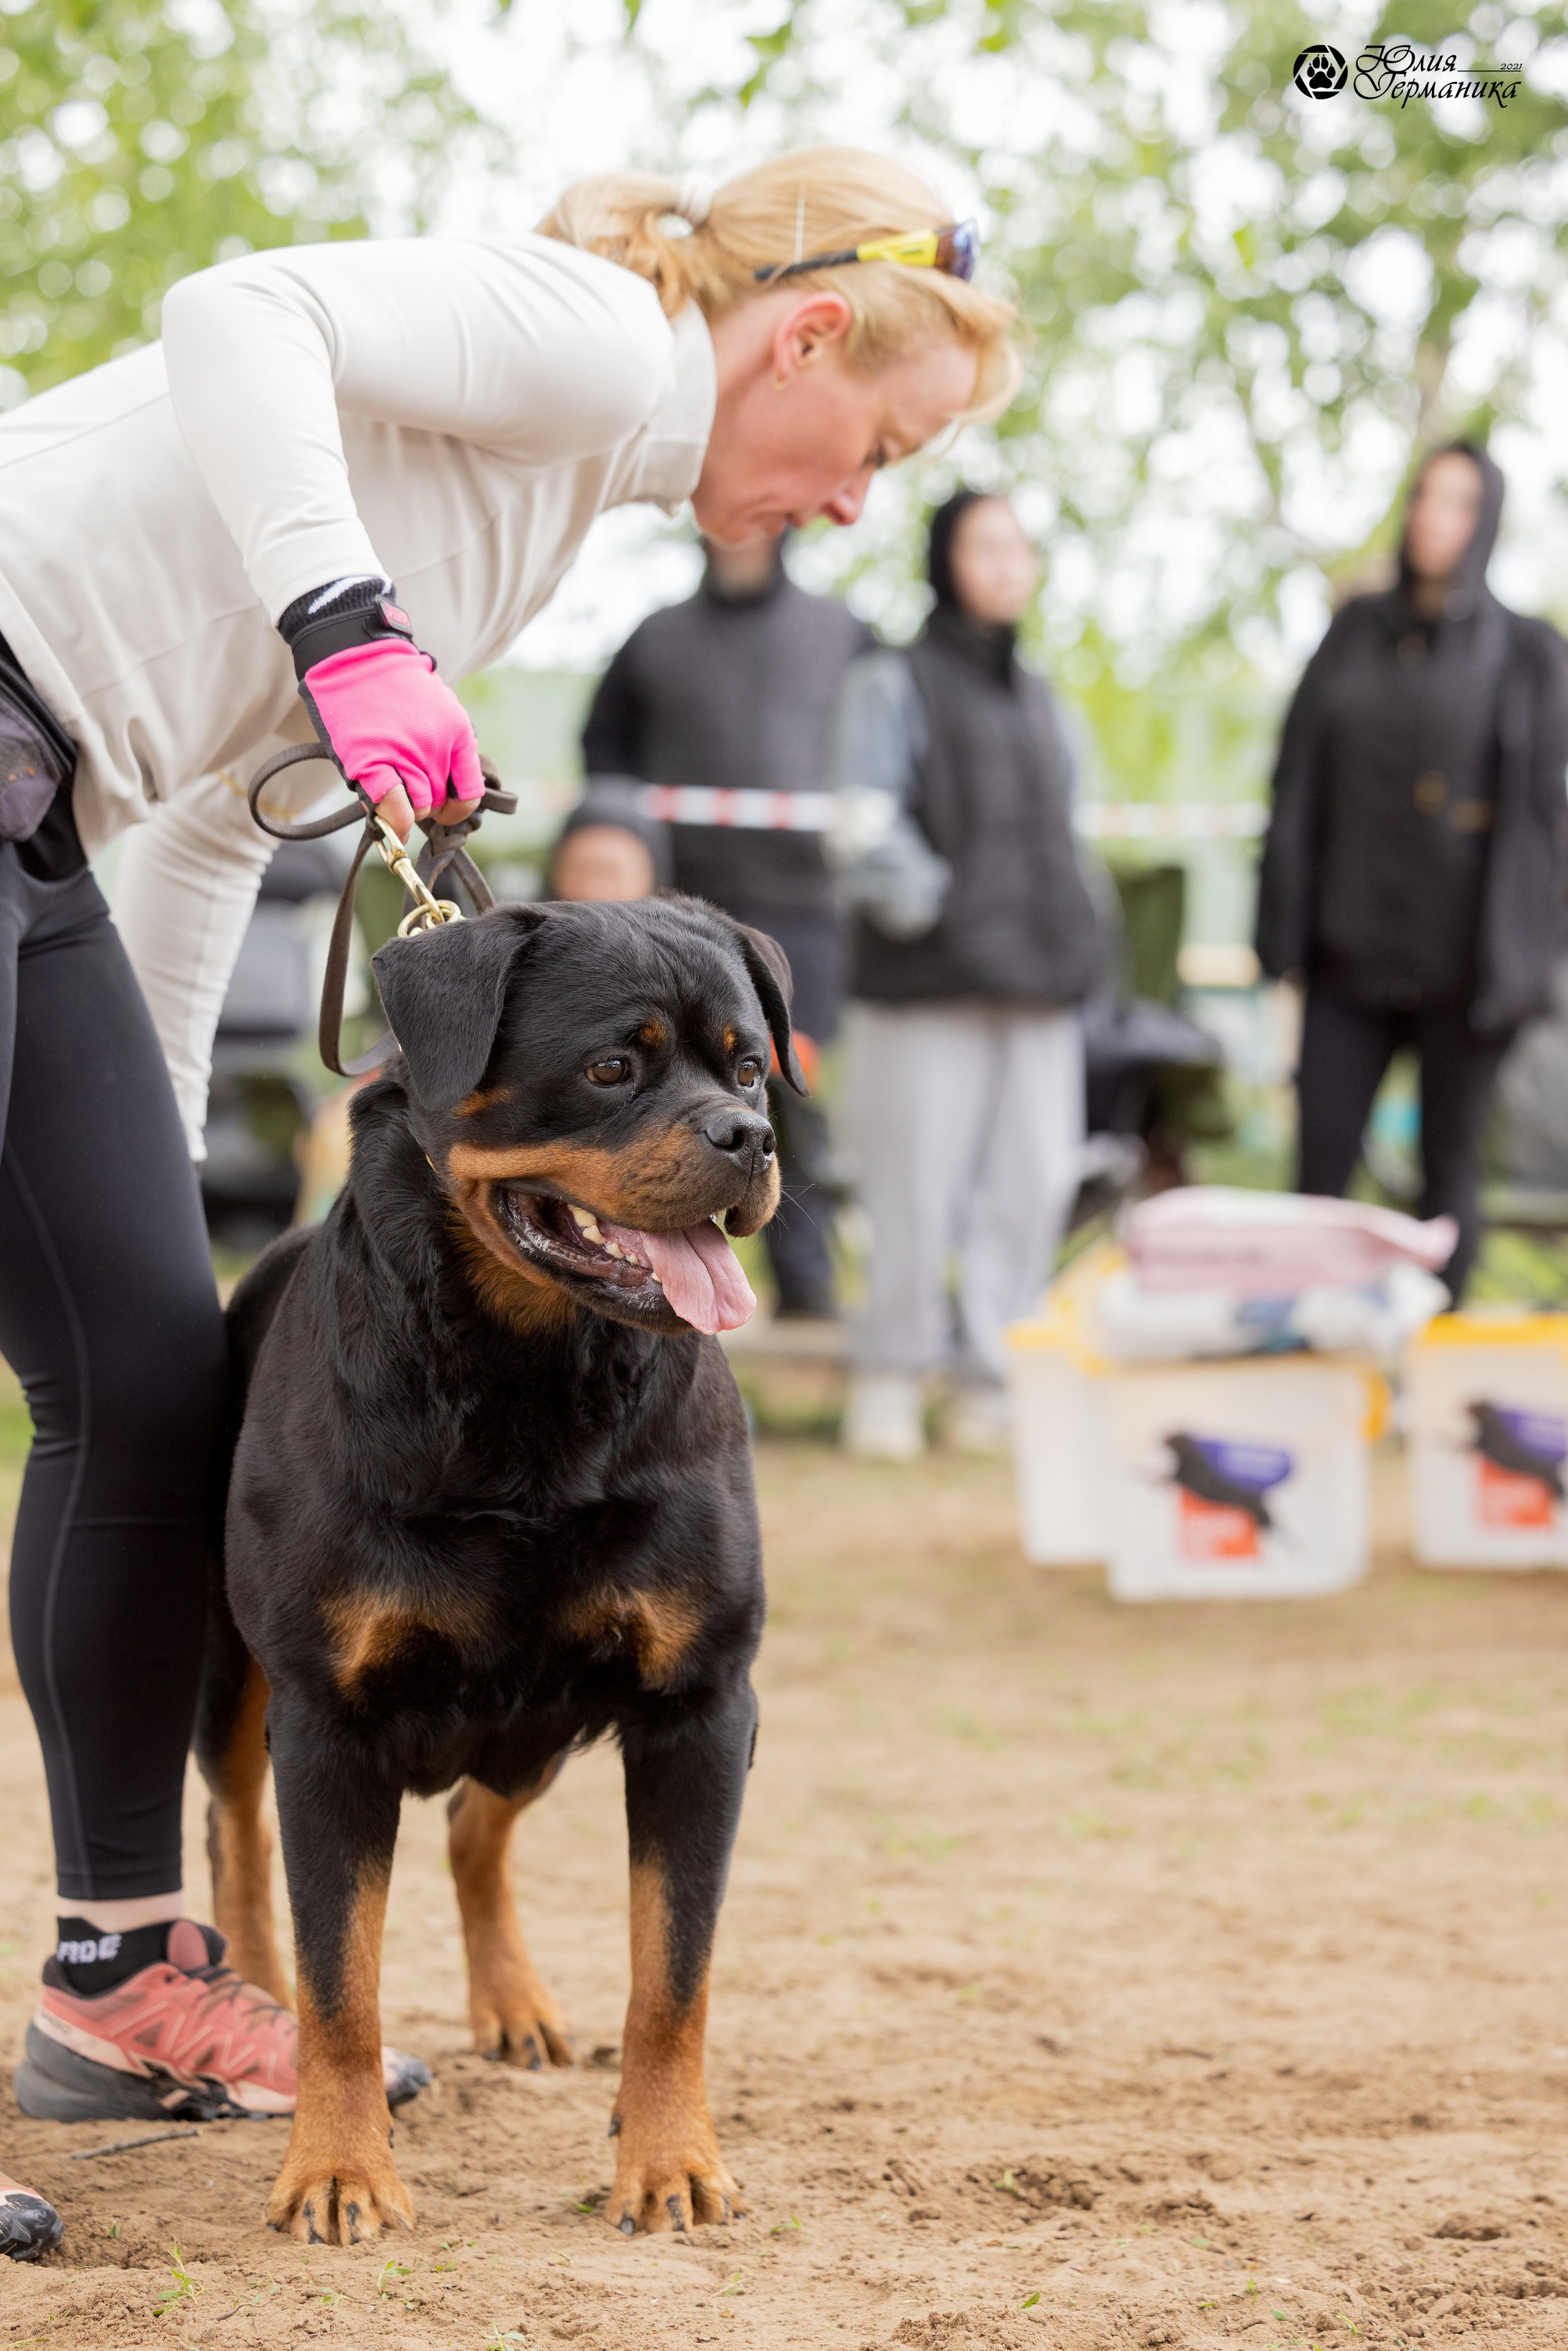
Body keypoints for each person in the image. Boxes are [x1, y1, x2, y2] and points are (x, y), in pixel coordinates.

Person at [0, 149, 1016, 2175]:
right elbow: (237, 313)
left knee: (155, 1378)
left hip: (46, 826)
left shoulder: (537, 528)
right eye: (875, 448)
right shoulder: (589, 338)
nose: (850, 503)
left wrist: (184, 1137)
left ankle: (119, 1972)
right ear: (803, 334)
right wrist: (347, 615)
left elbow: (215, 823)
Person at [1256, 443, 1568, 1299]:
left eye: (1460, 502)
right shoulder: (1353, 634)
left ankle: (1431, 1367)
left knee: (1448, 1176)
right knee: (1320, 1166)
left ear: (1488, 520)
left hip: (1466, 972)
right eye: (1427, 497)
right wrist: (1278, 937)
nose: (1436, 517)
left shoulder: (1528, 653)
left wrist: (1532, 957)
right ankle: (1308, 1351)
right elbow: (1296, 784)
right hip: (1348, 957)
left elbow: (1548, 818)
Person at [829, 489, 1104, 1459]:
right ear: (946, 559)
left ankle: (991, 1380)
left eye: (1020, 547)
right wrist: (938, 906)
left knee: (1032, 1184)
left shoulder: (1047, 702)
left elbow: (1075, 838)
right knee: (910, 1190)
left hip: (1040, 986)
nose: (1006, 563)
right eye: (986, 545)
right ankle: (892, 1376)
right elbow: (863, 821)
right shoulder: (890, 682)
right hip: (925, 982)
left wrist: (1081, 937)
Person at [580, 532, 871, 1316]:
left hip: (807, 912)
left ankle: (806, 1287)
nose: (742, 539)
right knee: (672, 1098)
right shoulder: (656, 636)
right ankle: (648, 1277)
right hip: (680, 917)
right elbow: (602, 752)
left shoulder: (845, 632)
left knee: (785, 1097)